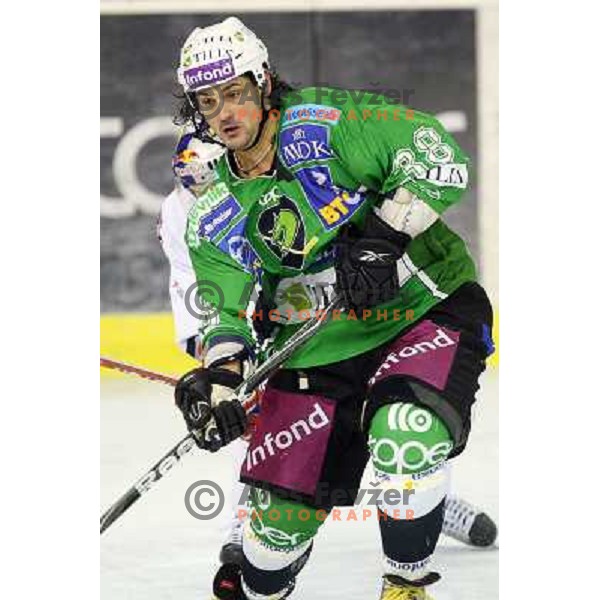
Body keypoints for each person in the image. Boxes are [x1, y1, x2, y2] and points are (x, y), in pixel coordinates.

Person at [171, 17, 496, 600]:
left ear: (264, 83)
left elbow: (440, 158)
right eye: (209, 100)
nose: (225, 112)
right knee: (267, 555)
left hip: (420, 311)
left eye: (236, 93)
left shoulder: (327, 124)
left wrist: (385, 234)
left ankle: (407, 584)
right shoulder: (213, 209)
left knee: (407, 437)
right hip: (316, 350)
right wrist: (220, 386)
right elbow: (223, 318)